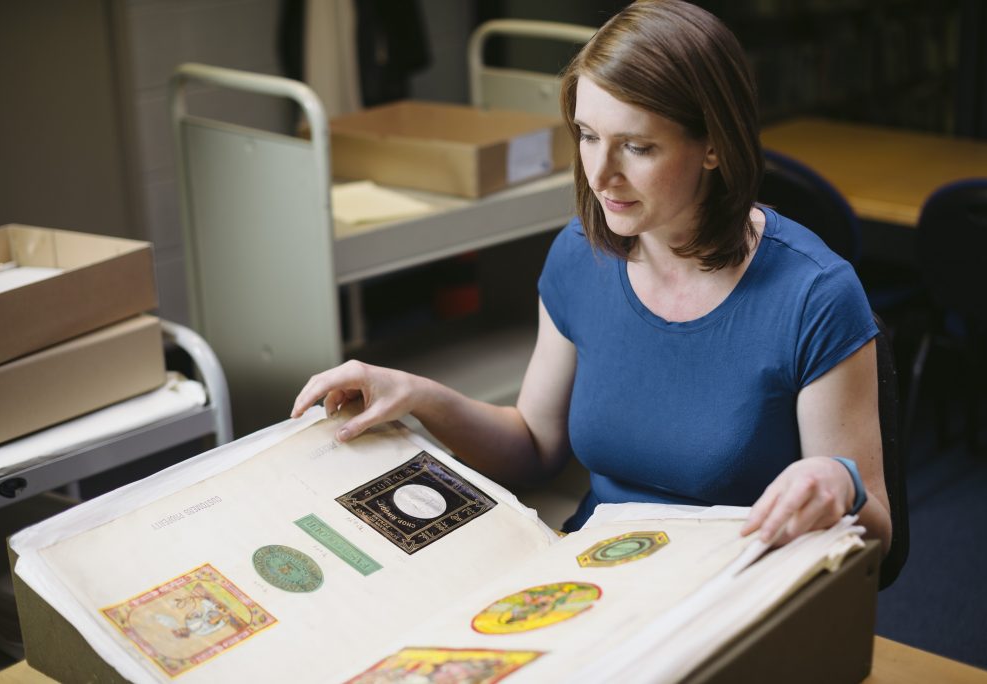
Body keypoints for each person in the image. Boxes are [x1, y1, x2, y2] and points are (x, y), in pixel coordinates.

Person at [292, 0, 892, 551]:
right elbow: (532, 447)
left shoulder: (814, 294)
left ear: (714, 146)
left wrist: (839, 484)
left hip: (733, 588)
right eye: (587, 135)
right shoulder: (580, 255)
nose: (601, 174)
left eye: (637, 147)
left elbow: (879, 537)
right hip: (594, 574)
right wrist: (419, 396)